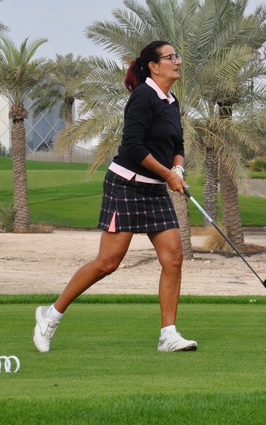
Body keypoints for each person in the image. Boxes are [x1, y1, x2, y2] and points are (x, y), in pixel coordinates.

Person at [33, 40, 197, 352]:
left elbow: (177, 144)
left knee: (174, 257)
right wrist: (168, 175)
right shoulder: (143, 97)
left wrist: (177, 169)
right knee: (108, 262)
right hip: (126, 185)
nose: (177, 61)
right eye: (171, 57)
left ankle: (168, 335)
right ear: (153, 66)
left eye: (177, 56)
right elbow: (133, 147)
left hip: (154, 189)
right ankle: (50, 315)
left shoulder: (171, 101)